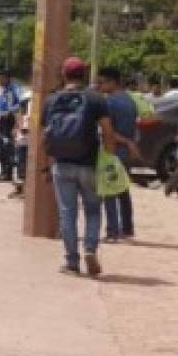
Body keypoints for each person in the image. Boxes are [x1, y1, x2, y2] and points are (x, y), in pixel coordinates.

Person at [43, 56, 118, 278]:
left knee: (67, 214)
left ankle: (72, 263)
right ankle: (90, 249)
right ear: (83, 75)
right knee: (93, 210)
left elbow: (44, 136)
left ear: (64, 75)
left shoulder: (51, 100)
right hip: (89, 165)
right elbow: (108, 132)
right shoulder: (96, 99)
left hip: (62, 165)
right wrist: (109, 159)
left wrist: (48, 165)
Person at [97, 66, 140, 240]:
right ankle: (127, 228)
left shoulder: (109, 102)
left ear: (112, 82)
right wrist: (131, 143)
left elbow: (109, 131)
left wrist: (123, 143)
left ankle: (112, 231)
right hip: (126, 152)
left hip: (113, 150)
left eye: (102, 82)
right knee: (123, 190)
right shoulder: (130, 100)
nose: (100, 86)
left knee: (109, 191)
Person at [0, 71, 22, 182]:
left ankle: (8, 173)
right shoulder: (4, 90)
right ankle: (3, 171)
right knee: (0, 147)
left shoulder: (14, 89)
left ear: (7, 78)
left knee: (7, 147)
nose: (0, 81)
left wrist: (10, 111)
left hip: (7, 121)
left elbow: (20, 103)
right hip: (0, 120)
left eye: (2, 78)